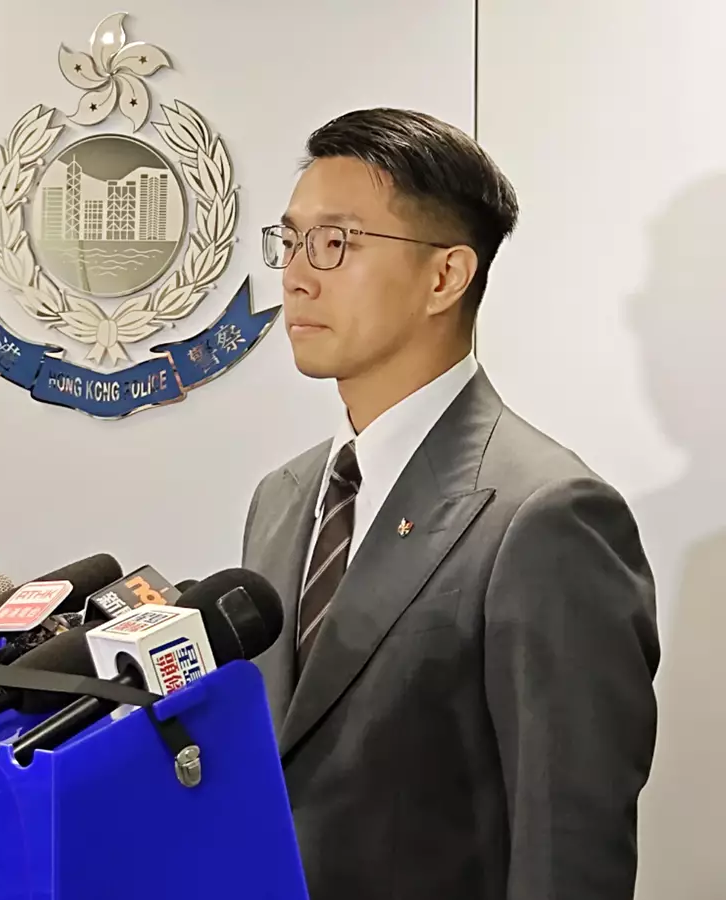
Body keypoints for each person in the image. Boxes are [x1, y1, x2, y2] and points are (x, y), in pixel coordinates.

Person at [242, 108, 659, 900]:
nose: (296, 275)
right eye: (289, 242)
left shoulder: (545, 516)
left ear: (446, 276)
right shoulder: (282, 499)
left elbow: (568, 850)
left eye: (336, 243)